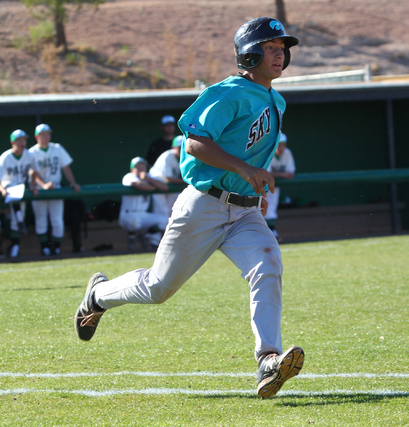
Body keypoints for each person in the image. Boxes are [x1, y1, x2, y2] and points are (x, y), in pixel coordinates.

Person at [73, 17, 304, 399]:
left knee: (268, 266)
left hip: (244, 211)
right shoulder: (227, 93)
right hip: (204, 205)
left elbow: (247, 153)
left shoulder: (275, 99)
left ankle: (268, 359)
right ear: (249, 54)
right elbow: (195, 142)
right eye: (270, 47)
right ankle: (97, 296)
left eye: (283, 48)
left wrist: (253, 181)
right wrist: (245, 169)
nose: (279, 53)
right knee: (159, 288)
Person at [28, 123, 81, 256]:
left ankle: (56, 248)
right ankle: (45, 248)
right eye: (43, 134)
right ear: (36, 136)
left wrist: (73, 183)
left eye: (48, 134)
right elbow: (32, 172)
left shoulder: (57, 148)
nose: (46, 137)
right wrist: (44, 184)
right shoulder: (31, 152)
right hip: (39, 189)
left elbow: (66, 167)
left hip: (56, 187)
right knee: (41, 220)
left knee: (57, 220)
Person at [0, 129, 45, 258]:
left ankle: (15, 244)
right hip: (7, 190)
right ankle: (19, 219)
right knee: (15, 219)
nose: (22, 143)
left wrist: (33, 185)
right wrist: (2, 190)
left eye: (24, 140)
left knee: (15, 221)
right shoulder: (5, 157)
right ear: (12, 142)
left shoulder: (28, 155)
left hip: (21, 190)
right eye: (19, 140)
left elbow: (35, 171)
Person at [118, 156, 169, 250]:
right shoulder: (129, 176)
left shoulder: (148, 177)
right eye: (139, 166)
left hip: (143, 214)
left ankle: (146, 235)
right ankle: (131, 237)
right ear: (132, 169)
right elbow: (139, 185)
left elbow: (165, 187)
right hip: (127, 215)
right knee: (135, 222)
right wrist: (153, 187)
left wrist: (149, 179)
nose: (142, 168)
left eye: (143, 166)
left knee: (166, 221)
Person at [264, 133, 295, 242]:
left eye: (283, 145)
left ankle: (272, 232)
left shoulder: (287, 153)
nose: (281, 148)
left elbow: (291, 173)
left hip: (274, 186)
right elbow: (266, 174)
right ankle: (269, 233)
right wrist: (282, 174)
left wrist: (277, 174)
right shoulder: (267, 152)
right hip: (261, 185)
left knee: (271, 208)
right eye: (278, 145)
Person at [148, 135, 185, 218]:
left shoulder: (186, 157)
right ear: (173, 147)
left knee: (174, 211)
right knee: (162, 213)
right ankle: (155, 230)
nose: (182, 149)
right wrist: (185, 181)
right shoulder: (167, 156)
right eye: (179, 147)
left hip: (170, 187)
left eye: (184, 146)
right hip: (157, 185)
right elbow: (167, 179)